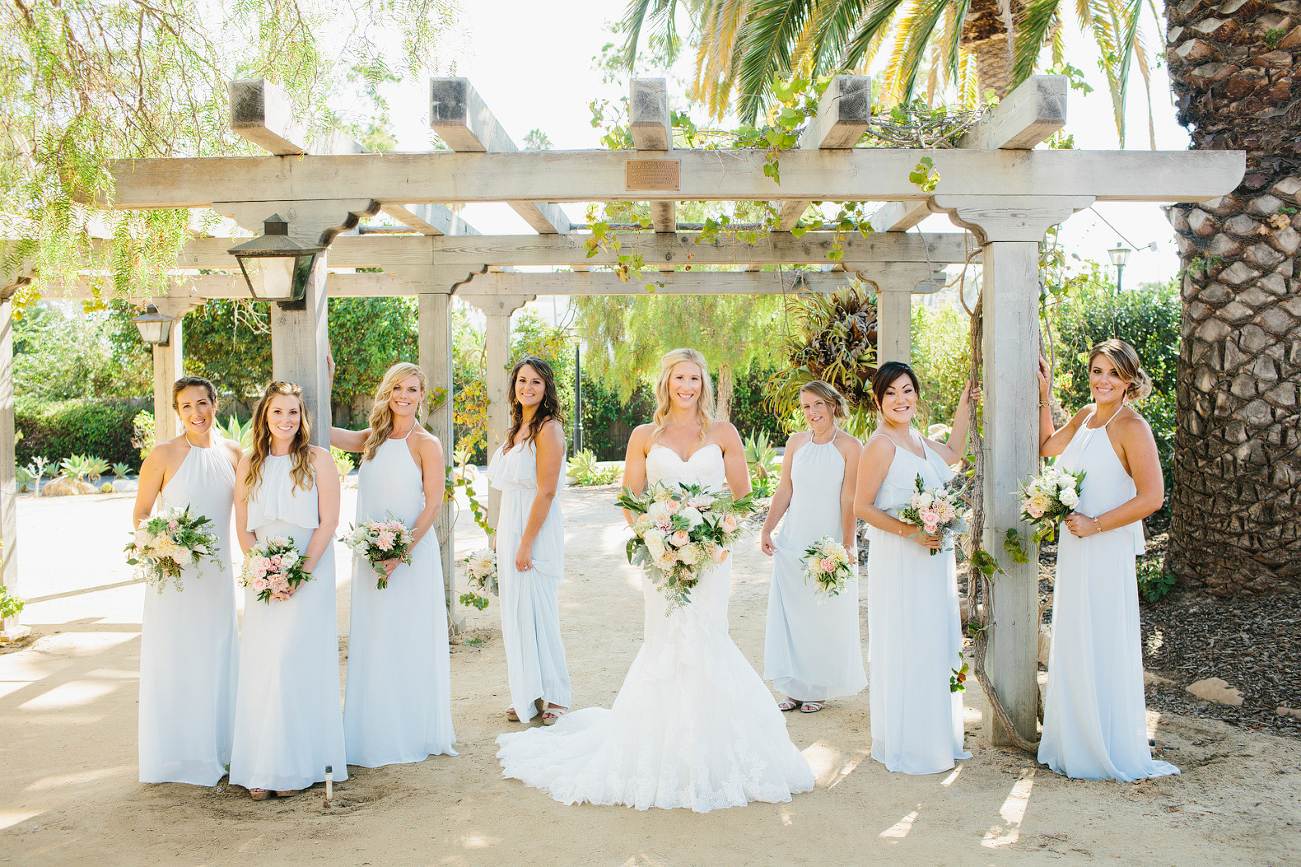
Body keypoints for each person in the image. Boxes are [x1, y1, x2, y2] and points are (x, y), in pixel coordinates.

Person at [496, 348, 814, 812]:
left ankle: (713, 742)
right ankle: (660, 746)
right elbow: (630, 496)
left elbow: (744, 498)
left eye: (694, 379)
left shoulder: (723, 433)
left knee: (709, 636)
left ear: (703, 383)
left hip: (711, 557)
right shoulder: (645, 435)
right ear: (666, 383)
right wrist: (656, 540)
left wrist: (719, 540)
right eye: (679, 378)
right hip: (662, 558)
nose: (687, 387)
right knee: (666, 639)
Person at [1035, 340, 1179, 781]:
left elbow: (1152, 497)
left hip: (1104, 544)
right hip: (1076, 543)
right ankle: (1072, 739)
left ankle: (1105, 741)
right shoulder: (1084, 416)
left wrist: (1097, 523)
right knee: (1076, 632)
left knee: (1101, 633)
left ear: (1130, 381)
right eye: (1097, 371)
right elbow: (1045, 448)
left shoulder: (1133, 427)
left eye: (1113, 374)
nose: (1102, 380)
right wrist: (1044, 395)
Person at [329, 359, 458, 766]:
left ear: (422, 396)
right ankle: (373, 731)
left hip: (409, 561)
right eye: (397, 388)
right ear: (387, 392)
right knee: (375, 638)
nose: (404, 396)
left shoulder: (426, 444)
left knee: (407, 638)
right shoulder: (373, 437)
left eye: (412, 389)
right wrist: (326, 380)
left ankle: (409, 732)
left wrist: (399, 553)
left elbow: (433, 505)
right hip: (371, 560)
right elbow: (323, 433)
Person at [853, 361, 976, 775]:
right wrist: (912, 532)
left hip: (933, 557)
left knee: (933, 638)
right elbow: (862, 507)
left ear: (916, 395)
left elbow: (955, 453)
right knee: (909, 639)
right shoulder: (881, 445)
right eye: (891, 393)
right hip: (902, 557)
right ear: (878, 400)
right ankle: (909, 740)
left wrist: (964, 405)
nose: (900, 400)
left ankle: (935, 735)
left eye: (907, 391)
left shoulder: (920, 440)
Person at [229, 381, 345, 799]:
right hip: (264, 577)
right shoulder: (248, 462)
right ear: (264, 416)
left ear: (303, 417)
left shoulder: (319, 460)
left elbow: (328, 521)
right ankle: (263, 765)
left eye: (293, 412)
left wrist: (299, 573)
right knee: (264, 666)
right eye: (277, 412)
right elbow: (243, 528)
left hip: (307, 570)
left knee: (293, 662)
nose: (285, 420)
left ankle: (295, 767)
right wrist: (264, 572)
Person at [133, 376, 242, 785]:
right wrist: (162, 545)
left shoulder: (234, 453)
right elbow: (142, 512)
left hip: (216, 575)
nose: (196, 413)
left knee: (216, 654)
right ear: (177, 412)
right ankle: (178, 754)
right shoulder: (162, 455)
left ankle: (222, 748)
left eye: (202, 403)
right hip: (174, 575)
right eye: (186, 407)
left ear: (216, 404)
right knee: (176, 657)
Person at [761, 381, 866, 713]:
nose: (812, 412)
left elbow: (849, 498)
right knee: (793, 614)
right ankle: (793, 689)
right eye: (806, 407)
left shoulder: (851, 446)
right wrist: (767, 528)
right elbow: (784, 491)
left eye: (818, 404)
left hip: (829, 544)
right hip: (793, 542)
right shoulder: (795, 442)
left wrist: (847, 544)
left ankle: (817, 688)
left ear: (832, 405)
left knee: (823, 616)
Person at [486, 356, 570, 725]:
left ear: (546, 388)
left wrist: (525, 542)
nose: (528, 387)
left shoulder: (547, 429)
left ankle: (555, 695)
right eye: (522, 381)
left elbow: (546, 492)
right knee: (517, 615)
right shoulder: (516, 429)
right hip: (512, 524)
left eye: (536, 382)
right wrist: (499, 533)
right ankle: (527, 690)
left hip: (535, 527)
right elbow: (509, 489)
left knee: (539, 612)